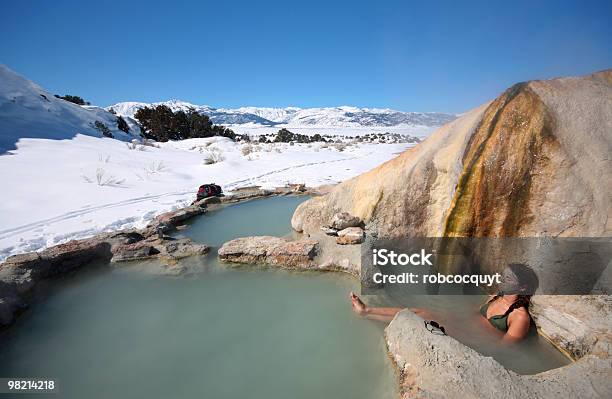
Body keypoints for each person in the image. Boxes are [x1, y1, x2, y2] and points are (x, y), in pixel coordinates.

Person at [350, 263, 539, 342]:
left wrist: (465, 336)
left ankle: (367, 314)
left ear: (523, 288)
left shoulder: (519, 317)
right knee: (419, 310)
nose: (501, 280)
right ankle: (367, 310)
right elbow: (475, 313)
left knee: (420, 318)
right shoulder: (496, 296)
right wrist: (455, 318)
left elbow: (504, 349)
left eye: (508, 279)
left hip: (474, 338)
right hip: (464, 325)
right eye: (503, 276)